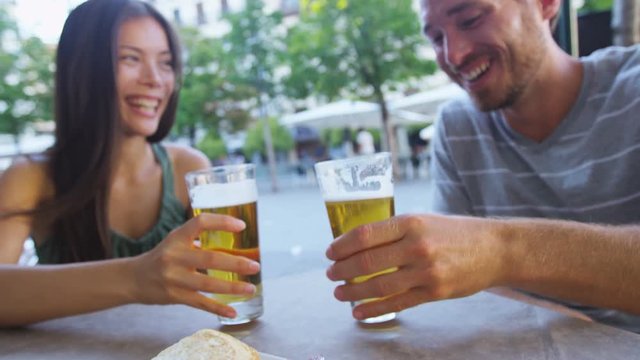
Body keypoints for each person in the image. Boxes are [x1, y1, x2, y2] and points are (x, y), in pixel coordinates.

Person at [323, 0, 640, 333]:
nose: (454, 55)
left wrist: (503, 251)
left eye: (471, 19)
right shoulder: (458, 127)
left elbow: (485, 264)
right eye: (436, 38)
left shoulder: (631, 91)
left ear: (545, 4)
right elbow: (463, 276)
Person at [0, 0, 259, 327]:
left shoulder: (187, 168)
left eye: (166, 63)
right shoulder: (31, 176)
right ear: (83, 68)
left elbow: (223, 286)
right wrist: (136, 278)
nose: (155, 79)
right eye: (130, 58)